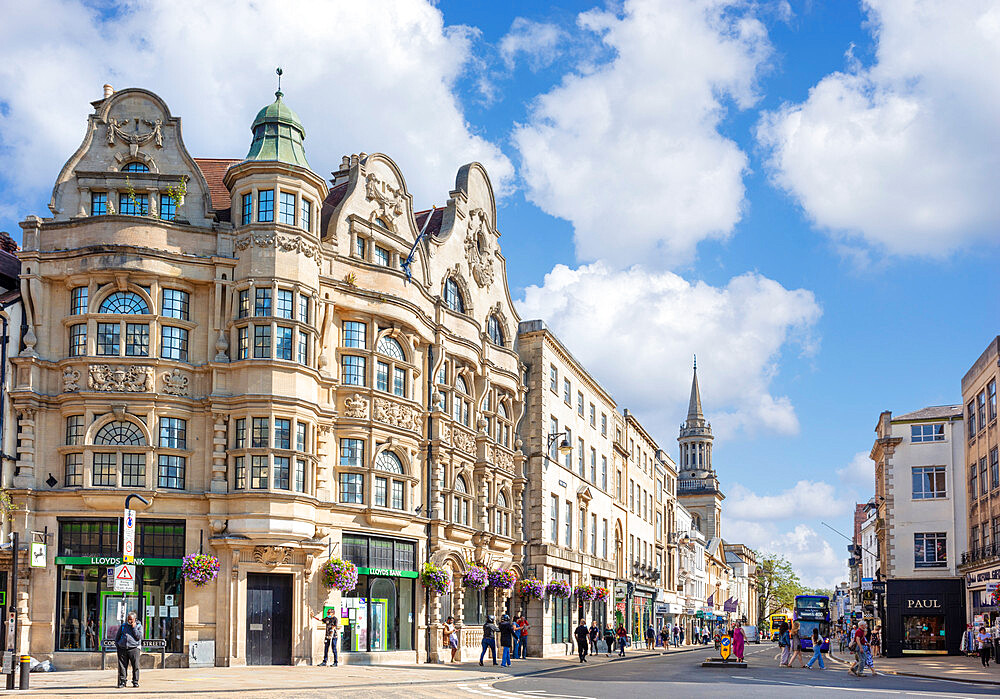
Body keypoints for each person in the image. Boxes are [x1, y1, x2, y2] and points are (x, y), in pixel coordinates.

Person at [115, 612, 142, 688]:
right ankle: (123, 681)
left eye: (131, 619)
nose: (129, 621)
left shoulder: (139, 626)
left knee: (135, 666)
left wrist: (134, 628)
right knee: (122, 666)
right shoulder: (123, 626)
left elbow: (139, 637)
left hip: (134, 648)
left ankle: (135, 681)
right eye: (128, 619)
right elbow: (117, 636)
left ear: (134, 619)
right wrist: (118, 645)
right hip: (122, 648)